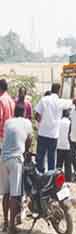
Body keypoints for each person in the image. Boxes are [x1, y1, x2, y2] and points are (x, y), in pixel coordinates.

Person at [0, 104, 32, 234]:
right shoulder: (27, 122)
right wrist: (26, 150)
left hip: (3, 158)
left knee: (6, 193)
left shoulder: (8, 122)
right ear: (24, 112)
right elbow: (29, 139)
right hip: (16, 160)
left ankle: (6, 223)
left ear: (14, 112)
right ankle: (12, 226)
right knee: (15, 194)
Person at [35, 83, 72, 173]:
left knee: (40, 158)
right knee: (51, 158)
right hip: (53, 135)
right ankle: (50, 178)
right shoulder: (60, 102)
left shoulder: (44, 100)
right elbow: (73, 101)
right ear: (59, 91)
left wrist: (41, 122)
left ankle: (40, 176)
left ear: (51, 89)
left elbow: (37, 115)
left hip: (42, 133)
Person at [0, 79, 15, 224]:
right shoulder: (11, 100)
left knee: (5, 187)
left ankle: (6, 220)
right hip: (12, 142)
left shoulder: (1, 101)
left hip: (2, 140)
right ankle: (13, 219)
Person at [56, 109, 72, 182]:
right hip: (68, 146)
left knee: (59, 165)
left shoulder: (58, 122)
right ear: (68, 114)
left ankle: (57, 179)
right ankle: (68, 179)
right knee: (68, 165)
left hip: (59, 146)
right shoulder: (70, 123)